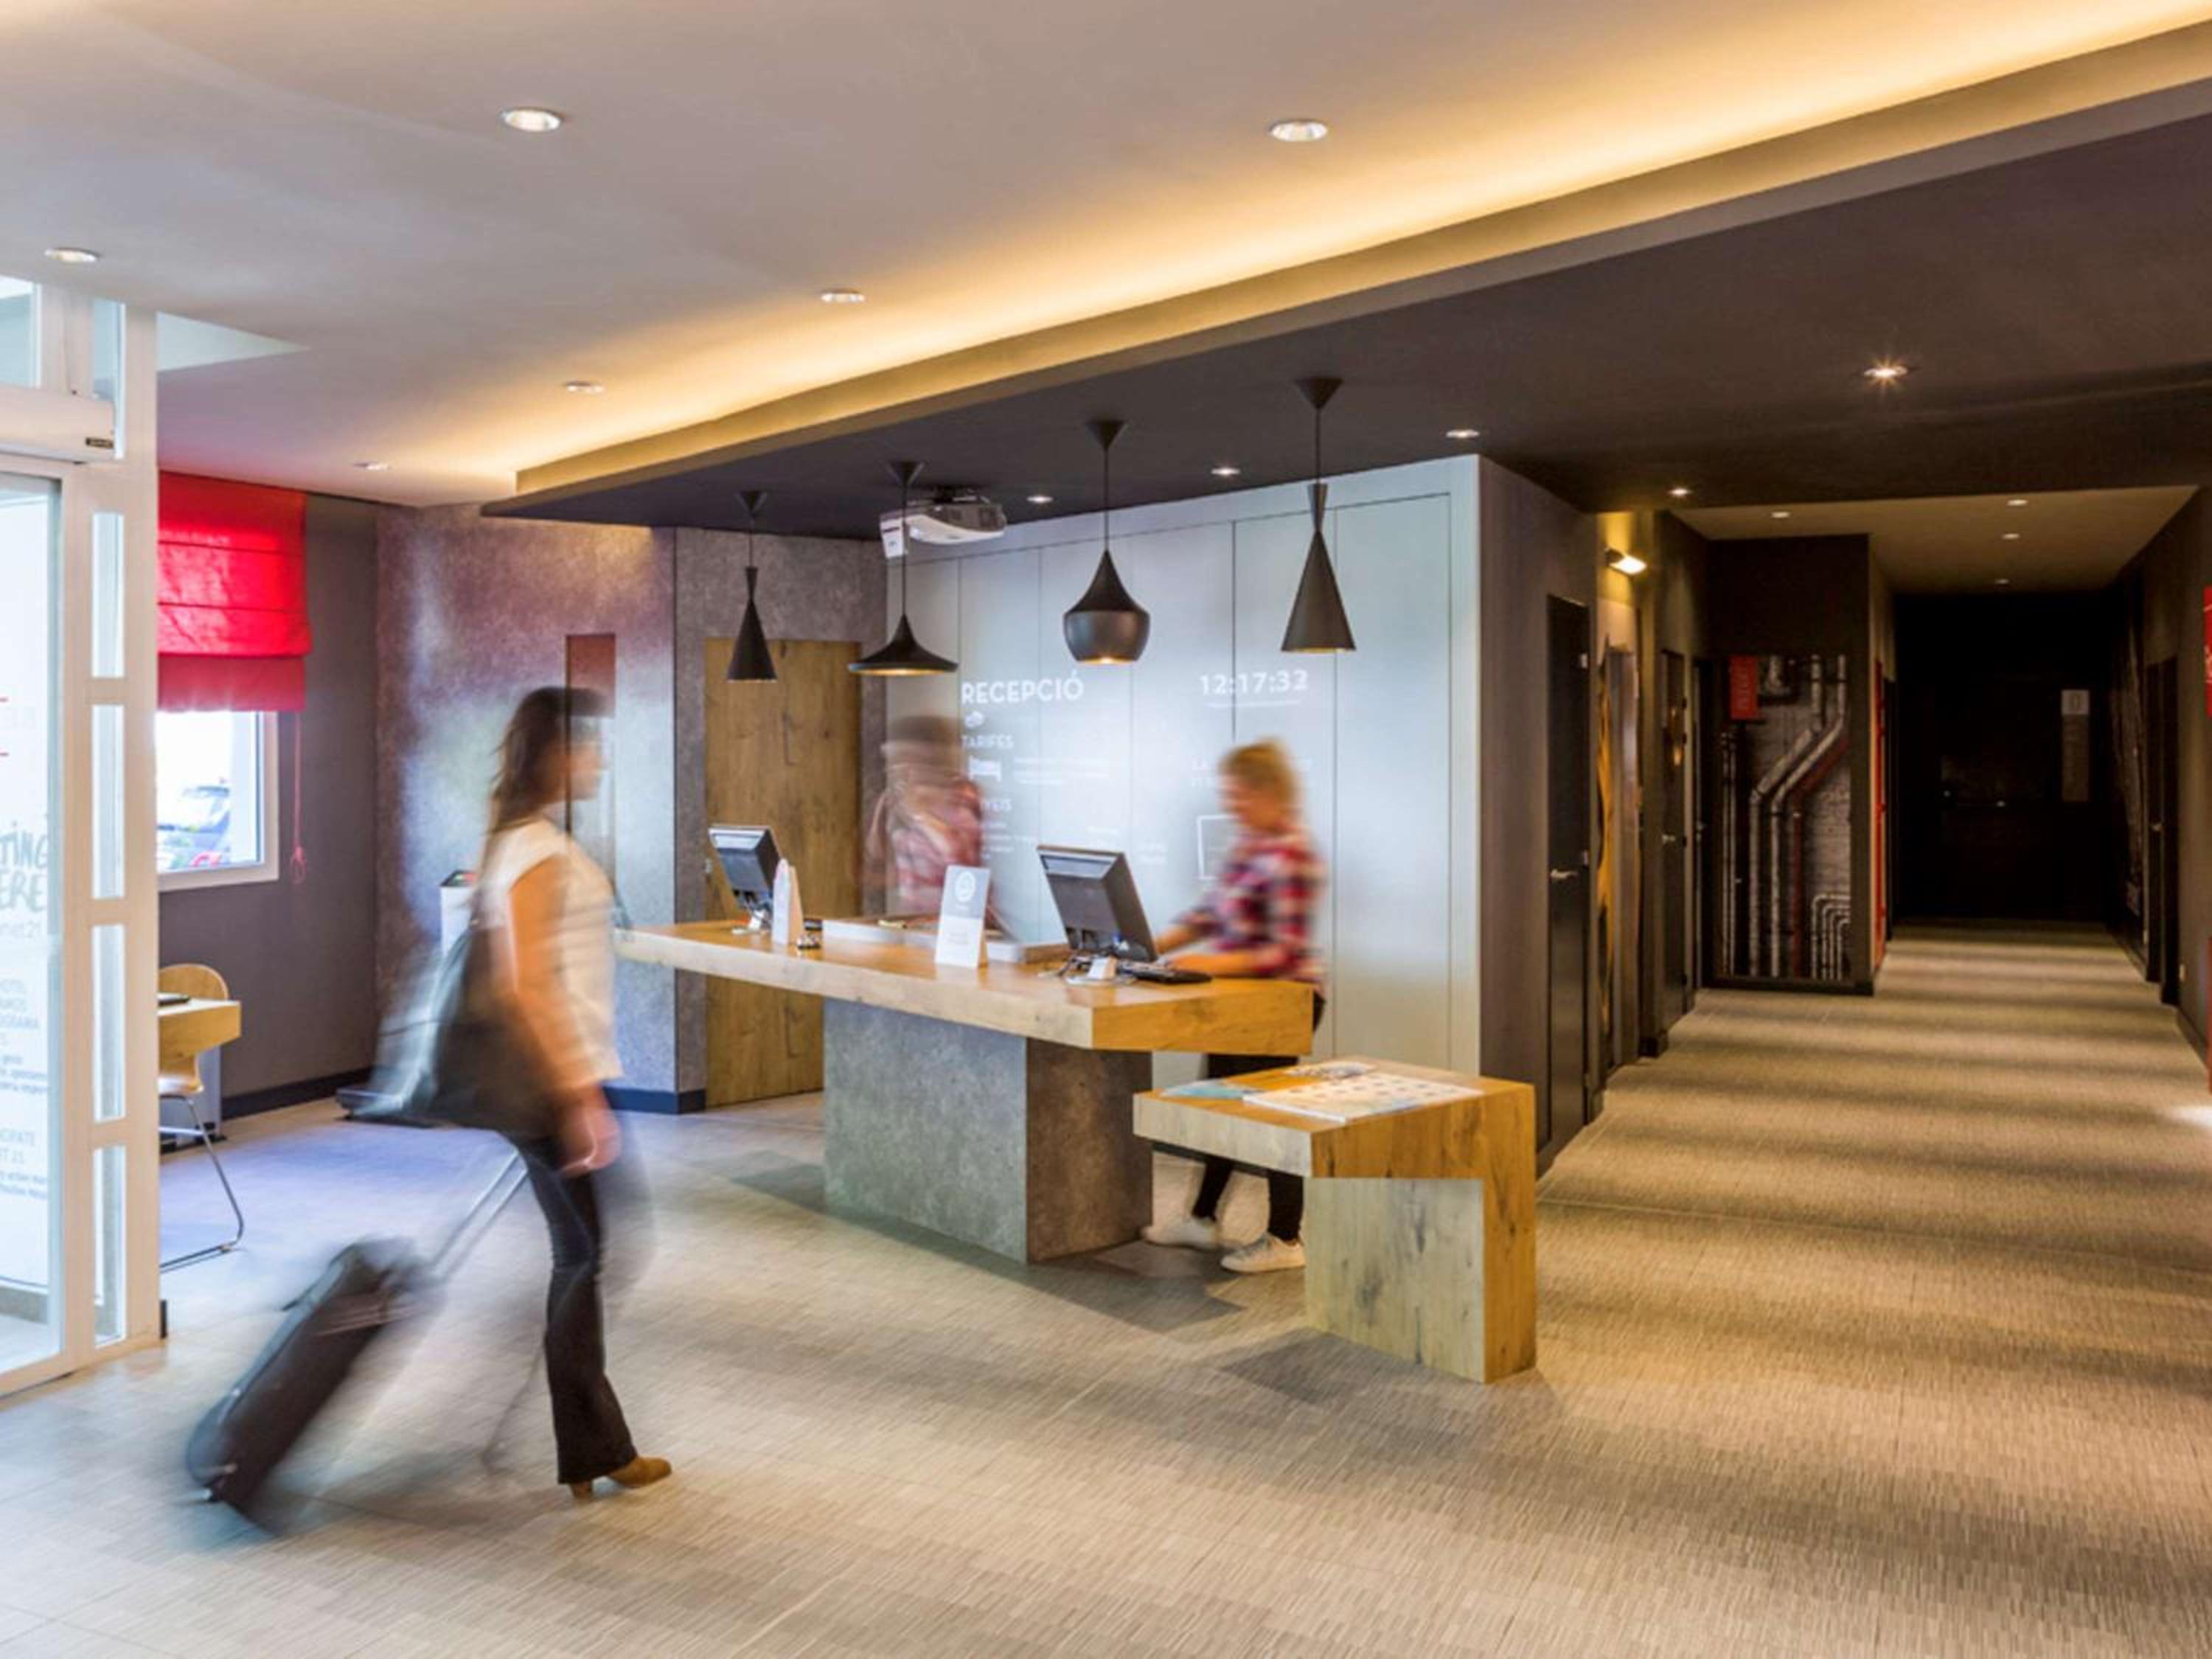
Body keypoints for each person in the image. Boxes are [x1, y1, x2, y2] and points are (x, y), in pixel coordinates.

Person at [478, 686, 670, 1502]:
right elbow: (526, 987)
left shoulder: (529, 841)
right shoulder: (534, 849)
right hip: (557, 1082)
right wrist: (577, 1097)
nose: (597, 759)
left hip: (564, 1078)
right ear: (556, 753)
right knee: (587, 1254)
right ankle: (591, 1445)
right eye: (587, 745)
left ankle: (589, 1443)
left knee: (586, 1253)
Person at [1140, 740, 1327, 1273]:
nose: (1232, 805)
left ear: (1269, 791)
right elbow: (1208, 914)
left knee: (1273, 1118)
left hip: (1283, 1003)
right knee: (1220, 1105)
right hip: (1242, 1003)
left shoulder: (1293, 854)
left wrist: (1209, 964)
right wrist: (1152, 946)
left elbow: (1283, 953)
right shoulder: (1249, 845)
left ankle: (1286, 1238)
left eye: (1239, 795)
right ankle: (1201, 1220)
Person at [865, 714, 990, 917]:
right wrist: (880, 815)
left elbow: (960, 862)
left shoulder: (961, 795)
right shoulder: (902, 796)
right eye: (890, 761)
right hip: (914, 919)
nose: (894, 768)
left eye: (902, 758)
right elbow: (877, 858)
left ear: (926, 757)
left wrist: (920, 815)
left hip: (957, 920)